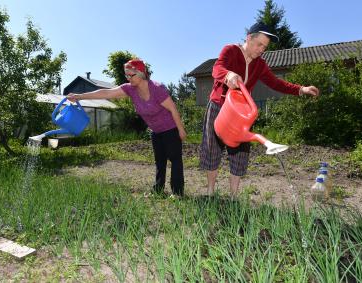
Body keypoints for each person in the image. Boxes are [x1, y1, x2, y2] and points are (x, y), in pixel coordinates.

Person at [200, 21, 319, 197]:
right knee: (212, 149)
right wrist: (228, 75)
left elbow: (276, 83)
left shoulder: (260, 65)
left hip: (241, 114)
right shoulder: (231, 50)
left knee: (240, 154)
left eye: (265, 46)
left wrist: (301, 89)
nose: (262, 49)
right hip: (219, 106)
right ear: (249, 38)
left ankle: (233, 197)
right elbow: (217, 68)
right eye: (259, 44)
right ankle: (210, 192)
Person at [67, 59, 186, 197]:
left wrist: (181, 130)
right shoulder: (130, 89)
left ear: (141, 73)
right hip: (155, 131)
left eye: (131, 75)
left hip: (170, 129)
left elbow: (173, 109)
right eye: (127, 75)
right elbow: (106, 93)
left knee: (175, 160)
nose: (129, 78)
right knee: (160, 162)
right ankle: (158, 191)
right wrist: (79, 97)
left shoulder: (156, 89)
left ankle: (177, 193)